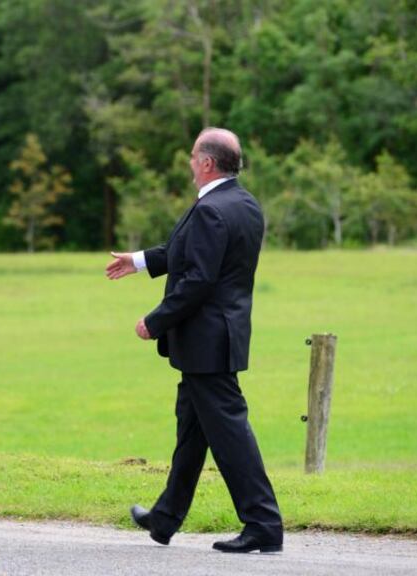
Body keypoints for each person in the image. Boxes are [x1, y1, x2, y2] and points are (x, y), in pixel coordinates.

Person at [105, 128, 283, 553]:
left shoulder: (211, 209)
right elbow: (186, 252)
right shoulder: (243, 204)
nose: (189, 163)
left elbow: (198, 279)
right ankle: (165, 518)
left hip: (206, 341)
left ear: (206, 163)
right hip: (224, 335)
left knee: (231, 434)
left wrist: (156, 321)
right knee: (192, 430)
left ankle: (264, 523)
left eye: (192, 157)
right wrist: (138, 260)